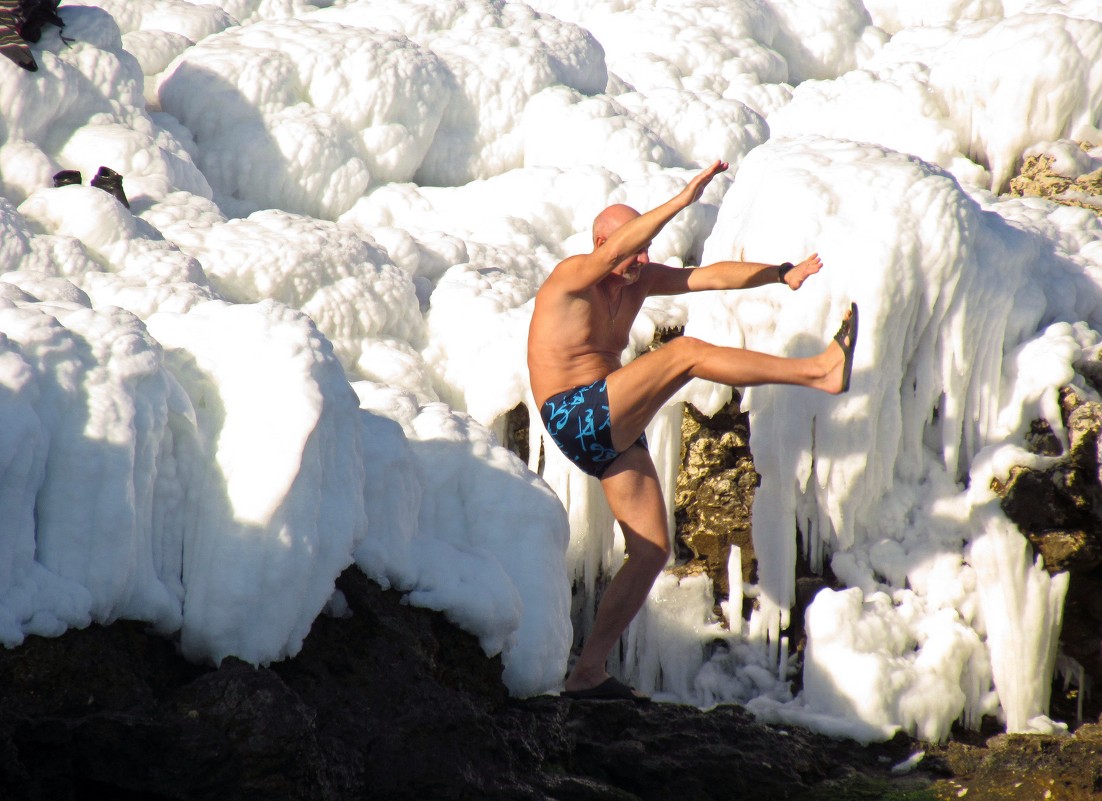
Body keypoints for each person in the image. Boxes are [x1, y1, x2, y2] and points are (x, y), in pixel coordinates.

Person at [527, 159, 858, 702]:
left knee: (653, 548)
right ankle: (818, 372)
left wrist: (780, 273)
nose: (639, 262)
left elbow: (707, 278)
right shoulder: (572, 276)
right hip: (573, 413)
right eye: (631, 250)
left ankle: (587, 671)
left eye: (645, 253)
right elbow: (613, 253)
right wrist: (682, 200)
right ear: (602, 242)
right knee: (683, 354)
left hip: (608, 432)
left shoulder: (638, 281)